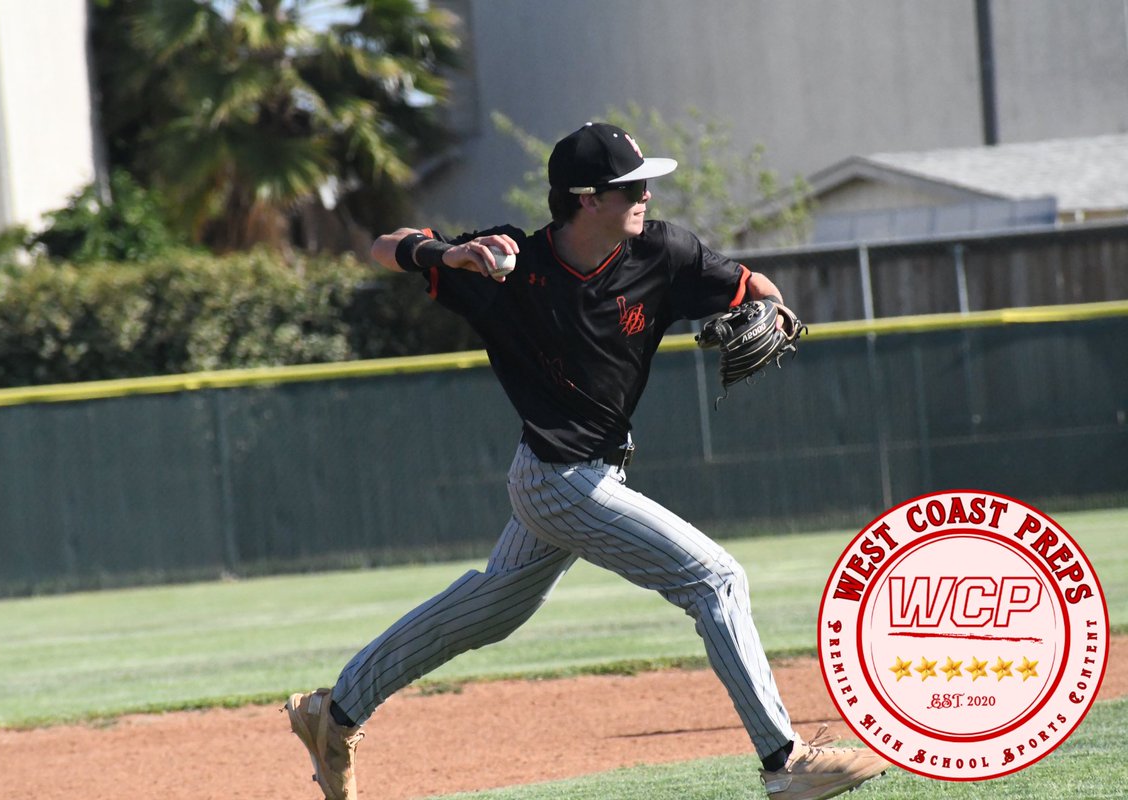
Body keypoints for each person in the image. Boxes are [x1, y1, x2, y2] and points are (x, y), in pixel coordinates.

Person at [285, 122, 888, 800]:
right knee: (714, 580)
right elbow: (383, 246)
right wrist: (445, 255)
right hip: (558, 478)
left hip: (587, 473)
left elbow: (756, 287)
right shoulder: (508, 263)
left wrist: (772, 310)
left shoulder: (662, 251)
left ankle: (335, 713)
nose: (646, 194)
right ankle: (785, 762)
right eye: (630, 186)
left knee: (492, 609)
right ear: (587, 199)